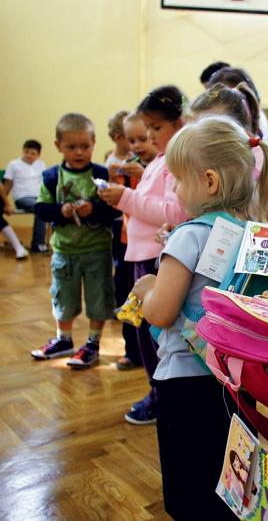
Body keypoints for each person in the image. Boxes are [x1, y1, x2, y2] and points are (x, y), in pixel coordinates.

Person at [129, 115, 268, 520]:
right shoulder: (254, 234)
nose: (175, 189)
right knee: (236, 484)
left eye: (178, 180)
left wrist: (146, 289)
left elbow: (162, 311)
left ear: (209, 181)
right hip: (238, 382)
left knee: (189, 496)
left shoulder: (188, 235)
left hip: (185, 385)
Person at [98, 86, 188, 425]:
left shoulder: (176, 161)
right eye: (146, 129)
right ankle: (157, 389)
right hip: (142, 255)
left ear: (178, 124)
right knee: (144, 332)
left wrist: (125, 197)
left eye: (155, 128)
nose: (149, 136)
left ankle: (161, 393)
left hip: (155, 258)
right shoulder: (161, 160)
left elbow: (173, 212)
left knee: (154, 335)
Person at [30, 113, 119, 367]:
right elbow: (41, 209)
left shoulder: (101, 174)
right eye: (71, 147)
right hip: (64, 251)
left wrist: (94, 209)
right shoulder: (51, 177)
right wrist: (61, 211)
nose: (79, 152)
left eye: (85, 146)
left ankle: (92, 343)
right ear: (58, 146)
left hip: (98, 250)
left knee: (99, 299)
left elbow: (113, 210)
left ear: (94, 143)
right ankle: (64, 340)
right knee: (63, 298)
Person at [111, 112, 159, 371]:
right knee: (129, 298)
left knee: (150, 304)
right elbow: (121, 202)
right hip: (128, 242)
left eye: (143, 138)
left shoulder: (161, 168)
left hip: (153, 248)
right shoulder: (128, 166)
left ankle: (153, 357)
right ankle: (132, 351)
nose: (137, 145)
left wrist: (143, 175)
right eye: (132, 141)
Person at [3, 139, 47, 253]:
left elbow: (45, 185)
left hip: (38, 197)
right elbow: (6, 186)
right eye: (26, 152)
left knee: (47, 207)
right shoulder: (14, 164)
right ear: (23, 151)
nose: (29, 155)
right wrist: (5, 204)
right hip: (22, 198)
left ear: (38, 155)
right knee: (41, 207)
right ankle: (38, 244)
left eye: (33, 153)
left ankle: (48, 243)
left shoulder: (41, 164)